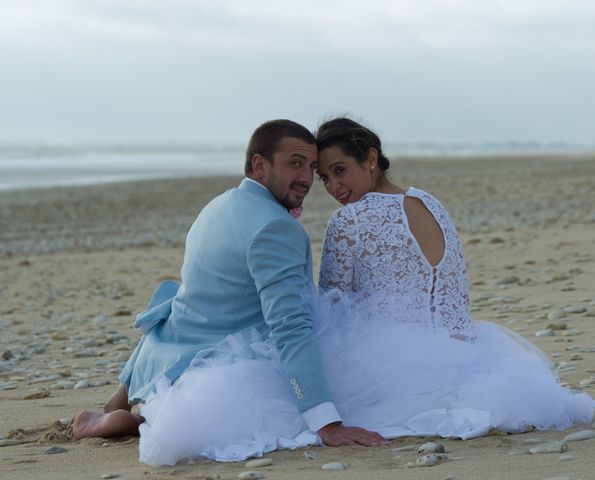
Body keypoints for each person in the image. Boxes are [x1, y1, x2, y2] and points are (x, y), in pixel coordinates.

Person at [67, 119, 385, 464]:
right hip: (204, 374)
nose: (307, 179)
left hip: (160, 355)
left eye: (311, 167)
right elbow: (290, 325)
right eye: (295, 164)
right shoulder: (275, 227)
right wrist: (327, 423)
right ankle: (141, 421)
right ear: (260, 165)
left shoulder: (217, 205)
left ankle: (123, 400)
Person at [310, 116, 595, 439]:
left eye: (339, 170)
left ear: (371, 158)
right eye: (323, 177)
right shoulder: (430, 203)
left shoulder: (347, 220)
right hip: (469, 358)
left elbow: (332, 313)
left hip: (395, 372)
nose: (333, 187)